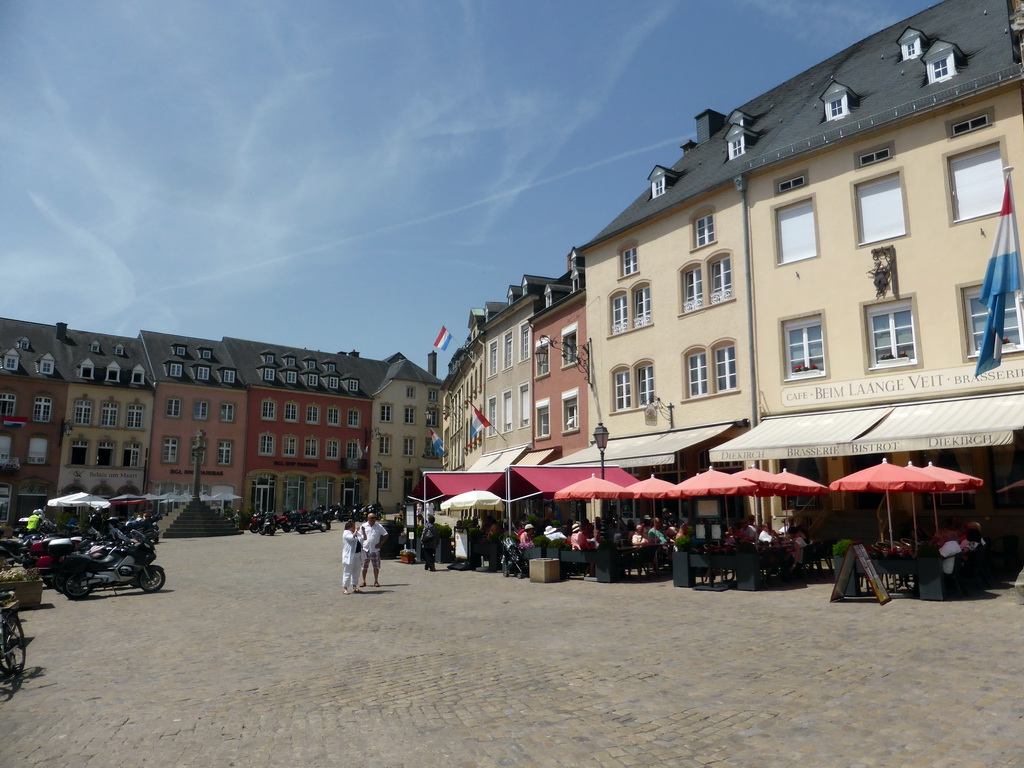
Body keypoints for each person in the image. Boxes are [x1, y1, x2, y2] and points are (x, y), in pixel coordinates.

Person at [357, 512, 388, 588]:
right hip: (365, 549)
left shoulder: (378, 526)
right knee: (364, 567)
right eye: (372, 518)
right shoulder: (363, 526)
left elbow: (385, 534)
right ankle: (363, 581)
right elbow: (359, 536)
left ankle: (376, 581)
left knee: (376, 566)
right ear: (368, 518)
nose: (374, 519)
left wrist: (381, 543)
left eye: (374, 517)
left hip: (375, 549)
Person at [341, 520, 364, 594]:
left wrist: (363, 531)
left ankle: (354, 586)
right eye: (353, 526)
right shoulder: (346, 533)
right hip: (350, 555)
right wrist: (356, 531)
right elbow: (351, 538)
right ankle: (345, 588)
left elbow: (364, 539)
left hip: (358, 554)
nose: (355, 527)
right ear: (349, 527)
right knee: (348, 572)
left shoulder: (357, 533)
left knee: (356, 571)